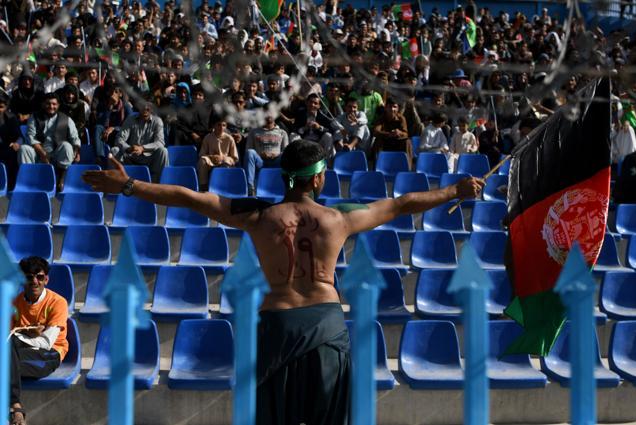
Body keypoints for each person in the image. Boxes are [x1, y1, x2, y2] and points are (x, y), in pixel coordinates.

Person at [82, 140, 483, 425]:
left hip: (277, 325)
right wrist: (454, 190)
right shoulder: (338, 219)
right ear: (319, 179)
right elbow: (401, 204)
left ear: (286, 178)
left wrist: (129, 186)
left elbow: (188, 196)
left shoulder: (257, 216)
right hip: (326, 325)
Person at [9, 256, 69, 425]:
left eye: (40, 277)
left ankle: (15, 407)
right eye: (29, 277)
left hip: (49, 355)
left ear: (46, 279)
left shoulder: (58, 302)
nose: (34, 282)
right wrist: (29, 333)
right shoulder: (15, 303)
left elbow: (46, 343)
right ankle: (15, 406)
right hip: (21, 354)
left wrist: (19, 334)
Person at [20, 93, 82, 191]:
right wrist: (43, 154)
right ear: (43, 104)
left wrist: (77, 151)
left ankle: (60, 180)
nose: (51, 106)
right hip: (38, 152)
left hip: (57, 154)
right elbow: (30, 137)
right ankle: (29, 181)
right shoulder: (34, 117)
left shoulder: (66, 119)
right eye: (48, 104)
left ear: (58, 105)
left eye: (54, 104)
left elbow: (75, 138)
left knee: (67, 146)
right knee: (24, 148)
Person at [111, 101, 169, 183]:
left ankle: (158, 185)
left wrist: (142, 148)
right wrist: (128, 148)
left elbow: (160, 142)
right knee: (114, 150)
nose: (145, 108)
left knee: (163, 151)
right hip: (131, 155)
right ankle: (116, 184)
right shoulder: (130, 119)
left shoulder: (157, 121)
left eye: (148, 106)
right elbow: (119, 139)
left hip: (149, 158)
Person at [244, 115, 289, 196]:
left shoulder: (282, 132)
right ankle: (250, 188)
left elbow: (286, 151)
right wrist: (260, 154)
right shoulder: (254, 132)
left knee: (287, 155)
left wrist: (276, 154)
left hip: (276, 161)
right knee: (250, 153)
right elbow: (248, 149)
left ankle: (288, 187)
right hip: (260, 162)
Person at [197, 117, 238, 189]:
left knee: (226, 163)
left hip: (224, 161)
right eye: (219, 125)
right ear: (214, 126)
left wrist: (223, 158)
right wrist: (212, 157)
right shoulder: (208, 137)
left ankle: (223, 187)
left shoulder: (229, 138)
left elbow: (234, 157)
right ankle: (203, 186)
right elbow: (202, 154)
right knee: (202, 161)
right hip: (211, 161)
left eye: (223, 125)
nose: (221, 127)